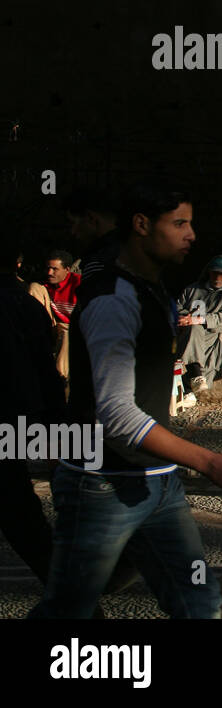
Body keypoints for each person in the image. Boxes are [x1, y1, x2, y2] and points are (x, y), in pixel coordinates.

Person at [29, 183, 222, 619]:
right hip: (100, 484)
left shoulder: (154, 289)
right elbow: (117, 414)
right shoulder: (112, 299)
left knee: (198, 602)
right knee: (70, 610)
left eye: (191, 223)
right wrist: (209, 461)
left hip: (158, 482)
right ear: (141, 225)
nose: (192, 234)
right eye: (179, 223)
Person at [0, 236, 65, 586]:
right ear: (18, 264)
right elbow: (46, 369)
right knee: (22, 516)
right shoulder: (27, 305)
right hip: (20, 418)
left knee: (19, 514)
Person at [177, 254, 222, 401]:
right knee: (193, 330)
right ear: (209, 272)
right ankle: (195, 377)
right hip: (185, 334)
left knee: (197, 328)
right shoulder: (192, 290)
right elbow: (178, 308)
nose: (218, 277)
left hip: (209, 338)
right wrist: (185, 318)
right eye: (215, 273)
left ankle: (190, 385)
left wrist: (198, 319)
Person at [64, 184, 121, 282]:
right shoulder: (133, 251)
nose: (72, 232)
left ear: (91, 218)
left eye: (73, 223)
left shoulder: (99, 263)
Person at [44, 249, 81, 384]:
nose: (50, 273)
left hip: (71, 328)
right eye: (48, 268)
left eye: (55, 269)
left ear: (67, 269)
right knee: (35, 287)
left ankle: (60, 377)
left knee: (66, 333)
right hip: (52, 325)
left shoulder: (78, 283)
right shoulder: (45, 286)